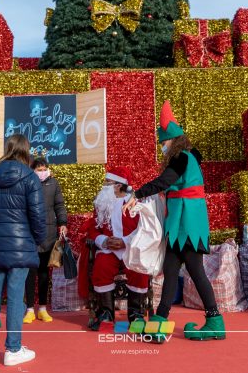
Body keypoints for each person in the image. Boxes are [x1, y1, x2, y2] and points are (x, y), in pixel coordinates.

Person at [124, 100, 226, 342]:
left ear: (172, 140)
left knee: (194, 271)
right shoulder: (188, 158)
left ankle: (214, 321)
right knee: (172, 271)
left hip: (187, 223)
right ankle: (161, 322)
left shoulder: (181, 158)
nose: (162, 146)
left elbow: (164, 181)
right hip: (184, 222)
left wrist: (136, 195)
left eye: (163, 141)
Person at [0, 135, 45, 367]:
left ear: (8, 148)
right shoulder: (29, 176)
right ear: (26, 150)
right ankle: (13, 349)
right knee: (16, 297)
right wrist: (38, 239)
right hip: (21, 246)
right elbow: (37, 214)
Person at [87, 167, 150, 331]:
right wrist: (104, 240)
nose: (104, 185)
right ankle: (106, 314)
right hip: (109, 250)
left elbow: (143, 229)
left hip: (131, 248)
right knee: (101, 266)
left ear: (120, 185)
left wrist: (124, 242)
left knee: (139, 269)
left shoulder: (136, 203)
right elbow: (93, 229)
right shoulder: (102, 203)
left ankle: (136, 314)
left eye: (108, 182)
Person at [23, 156, 68, 324]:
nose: (42, 173)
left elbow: (59, 205)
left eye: (44, 169)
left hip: (49, 232)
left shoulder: (53, 183)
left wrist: (63, 223)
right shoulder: (27, 182)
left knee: (43, 272)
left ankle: (42, 308)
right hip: (30, 232)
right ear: (32, 170)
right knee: (29, 271)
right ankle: (29, 309)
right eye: (38, 169)